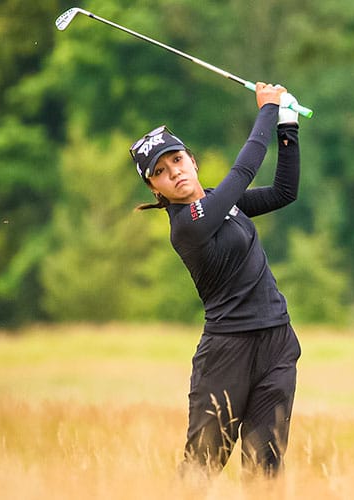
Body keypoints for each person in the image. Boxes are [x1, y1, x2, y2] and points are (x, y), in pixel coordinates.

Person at [129, 83, 302, 477]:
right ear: (154, 188)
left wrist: (288, 123)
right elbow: (243, 172)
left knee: (266, 464)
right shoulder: (189, 225)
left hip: (276, 341)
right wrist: (268, 110)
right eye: (160, 172)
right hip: (227, 353)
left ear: (192, 160)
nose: (173, 172)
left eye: (176, 160)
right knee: (202, 464)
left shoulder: (222, 204)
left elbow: (284, 192)